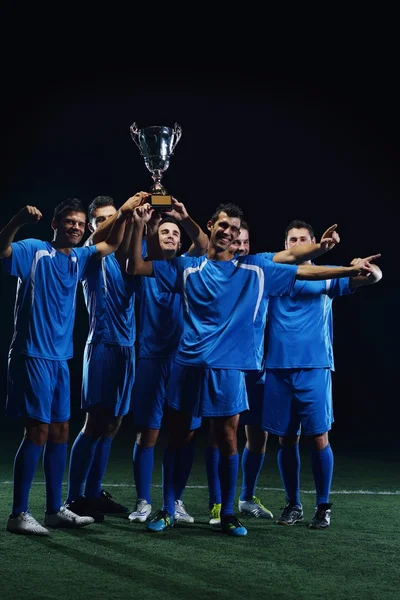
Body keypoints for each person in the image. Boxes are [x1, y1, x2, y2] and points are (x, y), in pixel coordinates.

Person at [129, 203, 377, 537]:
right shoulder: (186, 267)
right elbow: (137, 265)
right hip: (188, 366)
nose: (229, 232)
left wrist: (339, 263)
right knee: (179, 438)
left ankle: (230, 512)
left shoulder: (256, 267)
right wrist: (147, 227)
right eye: (223, 225)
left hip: (229, 370)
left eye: (234, 228)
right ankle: (168, 507)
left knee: (229, 440)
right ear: (211, 226)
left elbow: (300, 267)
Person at [0, 198, 133, 535]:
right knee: (38, 432)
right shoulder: (35, 249)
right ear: (55, 225)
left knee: (61, 431)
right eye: (69, 222)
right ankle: (18, 513)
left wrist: (130, 212)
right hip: (32, 355)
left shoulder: (78, 257)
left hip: (61, 359)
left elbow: (113, 243)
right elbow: (2, 249)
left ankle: (54, 510)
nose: (75, 227)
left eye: (78, 223)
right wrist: (17, 218)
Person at [205, 220, 341, 526]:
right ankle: (220, 503)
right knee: (224, 433)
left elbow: (314, 272)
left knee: (261, 435)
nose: (240, 247)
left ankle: (250, 497)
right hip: (237, 361)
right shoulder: (222, 268)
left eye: (302, 239)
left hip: (269, 364)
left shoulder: (267, 269)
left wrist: (346, 265)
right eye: (291, 240)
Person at [262, 219, 382, 529]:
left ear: (314, 243)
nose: (298, 243)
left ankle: (323, 506)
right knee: (286, 439)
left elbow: (374, 278)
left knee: (318, 437)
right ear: (286, 246)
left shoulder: (326, 278)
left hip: (314, 367)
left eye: (303, 238)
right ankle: (293, 504)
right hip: (277, 368)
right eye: (292, 240)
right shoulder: (274, 277)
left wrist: (363, 267)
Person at [65, 192, 147, 521]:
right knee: (94, 422)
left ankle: (93, 493)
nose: (111, 222)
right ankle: (73, 499)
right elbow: (101, 234)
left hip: (128, 347)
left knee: (113, 424)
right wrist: (124, 212)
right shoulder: (93, 254)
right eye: (102, 219)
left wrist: (141, 220)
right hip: (100, 346)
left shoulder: (130, 252)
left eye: (113, 216)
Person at [127, 198, 209, 524]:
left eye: (176, 233)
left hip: (185, 361)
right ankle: (144, 500)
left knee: (186, 434)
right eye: (166, 231)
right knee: (148, 433)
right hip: (152, 359)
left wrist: (184, 217)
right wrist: (141, 226)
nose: (172, 236)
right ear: (155, 237)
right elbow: (132, 263)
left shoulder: (189, 266)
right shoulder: (148, 266)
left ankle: (175, 501)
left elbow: (202, 243)